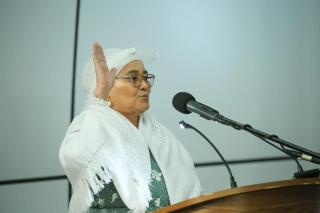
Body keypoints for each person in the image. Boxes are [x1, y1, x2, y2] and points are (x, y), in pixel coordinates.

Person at [59, 43, 202, 213]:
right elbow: (74, 159)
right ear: (108, 87)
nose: (145, 85)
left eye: (146, 76)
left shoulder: (161, 135)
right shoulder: (89, 124)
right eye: (133, 77)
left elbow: (190, 193)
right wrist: (100, 97)